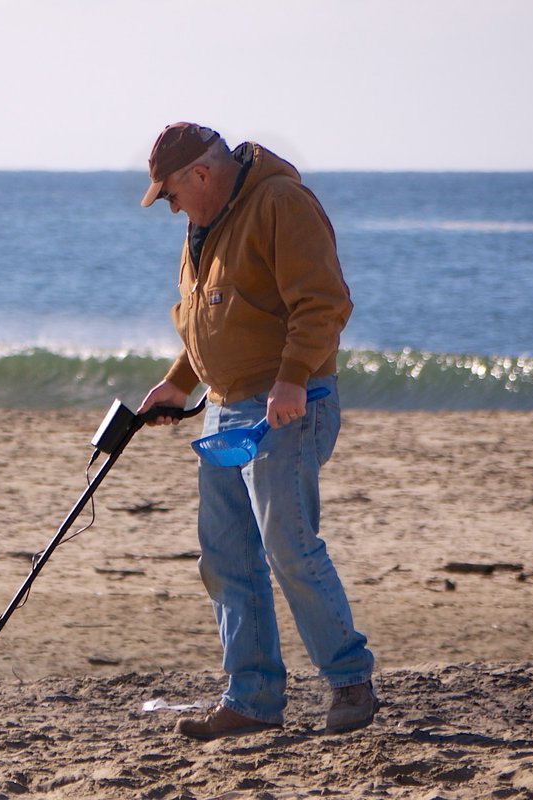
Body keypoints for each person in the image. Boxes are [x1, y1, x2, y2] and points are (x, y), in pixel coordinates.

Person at [136, 122, 378, 740]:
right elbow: (215, 315)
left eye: (172, 194)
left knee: (288, 545)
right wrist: (178, 383)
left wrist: (292, 378)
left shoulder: (280, 203)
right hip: (224, 411)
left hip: (287, 406)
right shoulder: (204, 223)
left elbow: (323, 302)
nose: (172, 208)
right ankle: (252, 700)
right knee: (226, 557)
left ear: (201, 174)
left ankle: (350, 681)